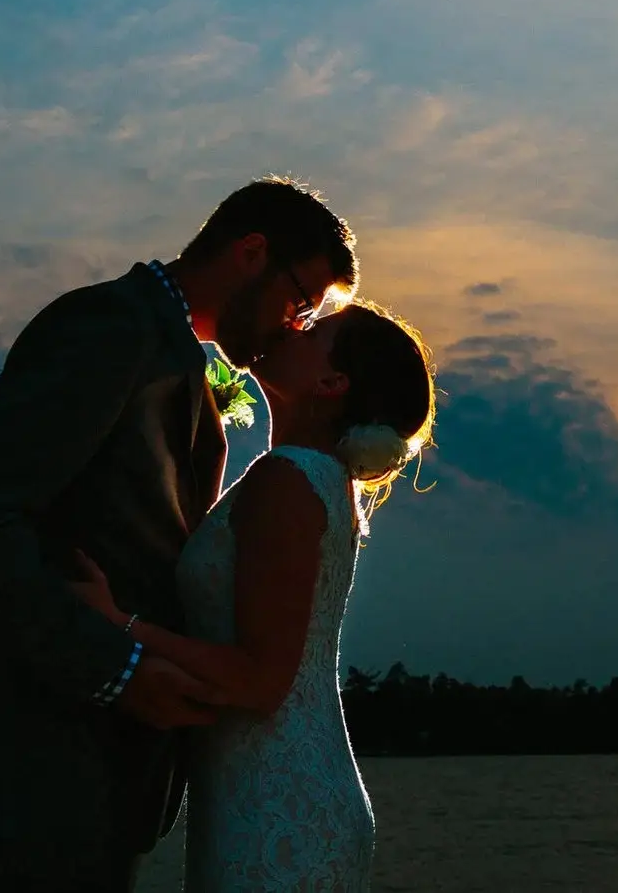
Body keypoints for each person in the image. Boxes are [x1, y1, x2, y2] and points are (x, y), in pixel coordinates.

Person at [0, 177, 358, 893]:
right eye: (300, 300)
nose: (293, 326)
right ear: (251, 251)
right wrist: (118, 670)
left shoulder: (172, 356)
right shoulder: (112, 328)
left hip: (104, 785)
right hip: (33, 774)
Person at [67, 299, 435, 893]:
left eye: (313, 329)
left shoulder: (289, 480)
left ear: (330, 382)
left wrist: (118, 622)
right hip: (270, 788)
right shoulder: (307, 478)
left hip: (278, 802)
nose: (292, 323)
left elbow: (260, 681)